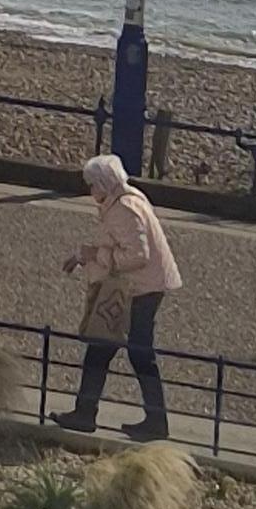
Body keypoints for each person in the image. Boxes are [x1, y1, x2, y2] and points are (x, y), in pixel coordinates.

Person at [63, 149, 182, 439]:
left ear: (103, 184)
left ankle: (93, 414)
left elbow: (136, 256)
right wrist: (88, 256)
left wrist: (94, 255)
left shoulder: (122, 209)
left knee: (131, 352)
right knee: (113, 350)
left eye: (92, 184)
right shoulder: (128, 200)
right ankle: (91, 413)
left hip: (139, 288)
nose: (90, 190)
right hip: (144, 286)